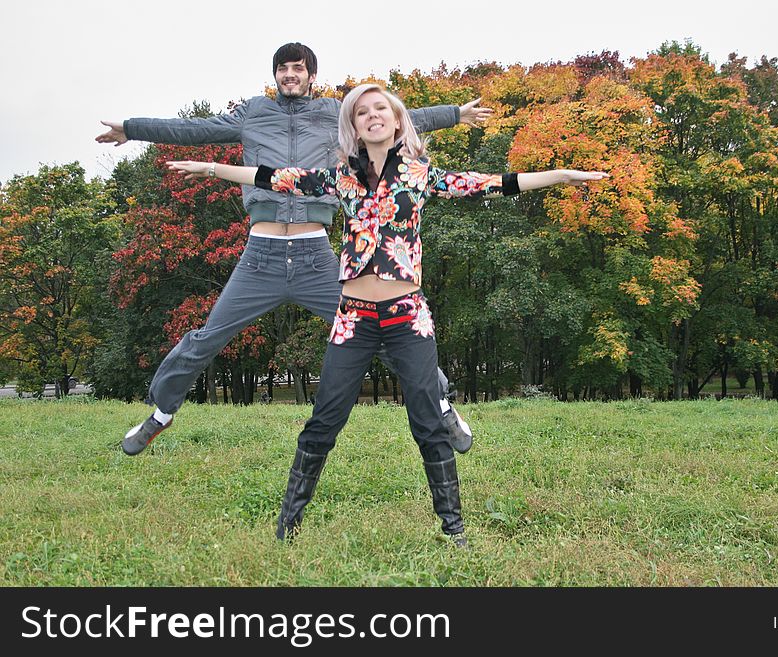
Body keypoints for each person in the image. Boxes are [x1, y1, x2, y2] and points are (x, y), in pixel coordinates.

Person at [167, 83, 610, 547]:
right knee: (324, 420)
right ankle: (286, 529)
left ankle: (454, 530)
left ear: (399, 121)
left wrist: (559, 175)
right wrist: (210, 168)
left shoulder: (420, 176)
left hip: (408, 316)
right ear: (354, 127)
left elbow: (493, 182)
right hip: (353, 318)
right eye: (362, 112)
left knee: (427, 420)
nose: (373, 116)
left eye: (382, 109)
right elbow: (271, 176)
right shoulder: (339, 178)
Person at [96, 43, 488, 455]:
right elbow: (195, 129)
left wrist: (455, 114)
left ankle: (441, 405)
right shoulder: (253, 114)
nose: (290, 75)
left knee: (388, 334)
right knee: (206, 338)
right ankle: (160, 414)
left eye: (297, 69)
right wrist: (131, 127)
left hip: (314, 257)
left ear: (311, 75)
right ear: (275, 76)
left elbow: (396, 117)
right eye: (283, 69)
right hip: (260, 258)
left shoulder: (335, 114)